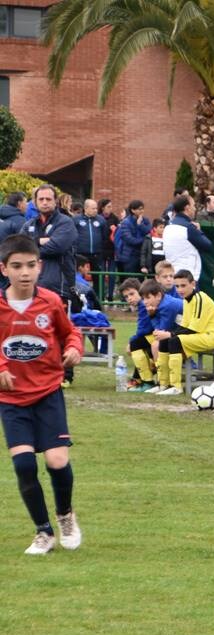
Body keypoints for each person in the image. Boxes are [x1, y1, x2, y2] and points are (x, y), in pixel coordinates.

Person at [0, 234, 84, 554]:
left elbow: (70, 332)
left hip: (48, 392)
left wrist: (74, 348)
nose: (25, 272)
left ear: (40, 266)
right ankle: (43, 532)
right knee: (23, 465)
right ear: (4, 269)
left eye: (31, 265)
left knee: (57, 460)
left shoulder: (50, 301)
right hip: (10, 398)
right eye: (17, 266)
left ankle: (65, 516)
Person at [145, 269, 214, 396]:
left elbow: (193, 329)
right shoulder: (187, 300)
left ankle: (176, 386)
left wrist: (170, 334)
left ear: (193, 284)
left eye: (183, 285)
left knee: (173, 340)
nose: (180, 289)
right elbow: (184, 326)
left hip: (212, 337)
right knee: (165, 341)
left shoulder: (199, 298)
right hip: (200, 335)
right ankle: (163, 384)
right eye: (177, 286)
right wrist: (167, 334)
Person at [21, 186, 76, 310]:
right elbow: (19, 247)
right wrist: (39, 241)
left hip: (58, 289)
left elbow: (56, 248)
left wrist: (29, 248)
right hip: (31, 288)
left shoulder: (65, 222)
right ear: (35, 202)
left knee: (57, 329)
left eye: (48, 199)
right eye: (41, 199)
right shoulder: (29, 225)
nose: (44, 202)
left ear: (55, 201)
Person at [162, 194, 213, 280]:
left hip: (172, 275)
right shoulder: (188, 228)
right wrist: (199, 230)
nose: (195, 209)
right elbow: (208, 246)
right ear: (187, 208)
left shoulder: (168, 227)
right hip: (188, 279)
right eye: (193, 205)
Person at [114, 200, 152, 276]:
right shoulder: (126, 222)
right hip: (130, 256)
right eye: (139, 209)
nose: (142, 211)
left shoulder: (145, 220)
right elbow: (129, 240)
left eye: (142, 209)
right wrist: (144, 241)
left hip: (143, 255)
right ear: (133, 210)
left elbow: (149, 232)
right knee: (130, 280)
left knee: (141, 281)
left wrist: (140, 225)